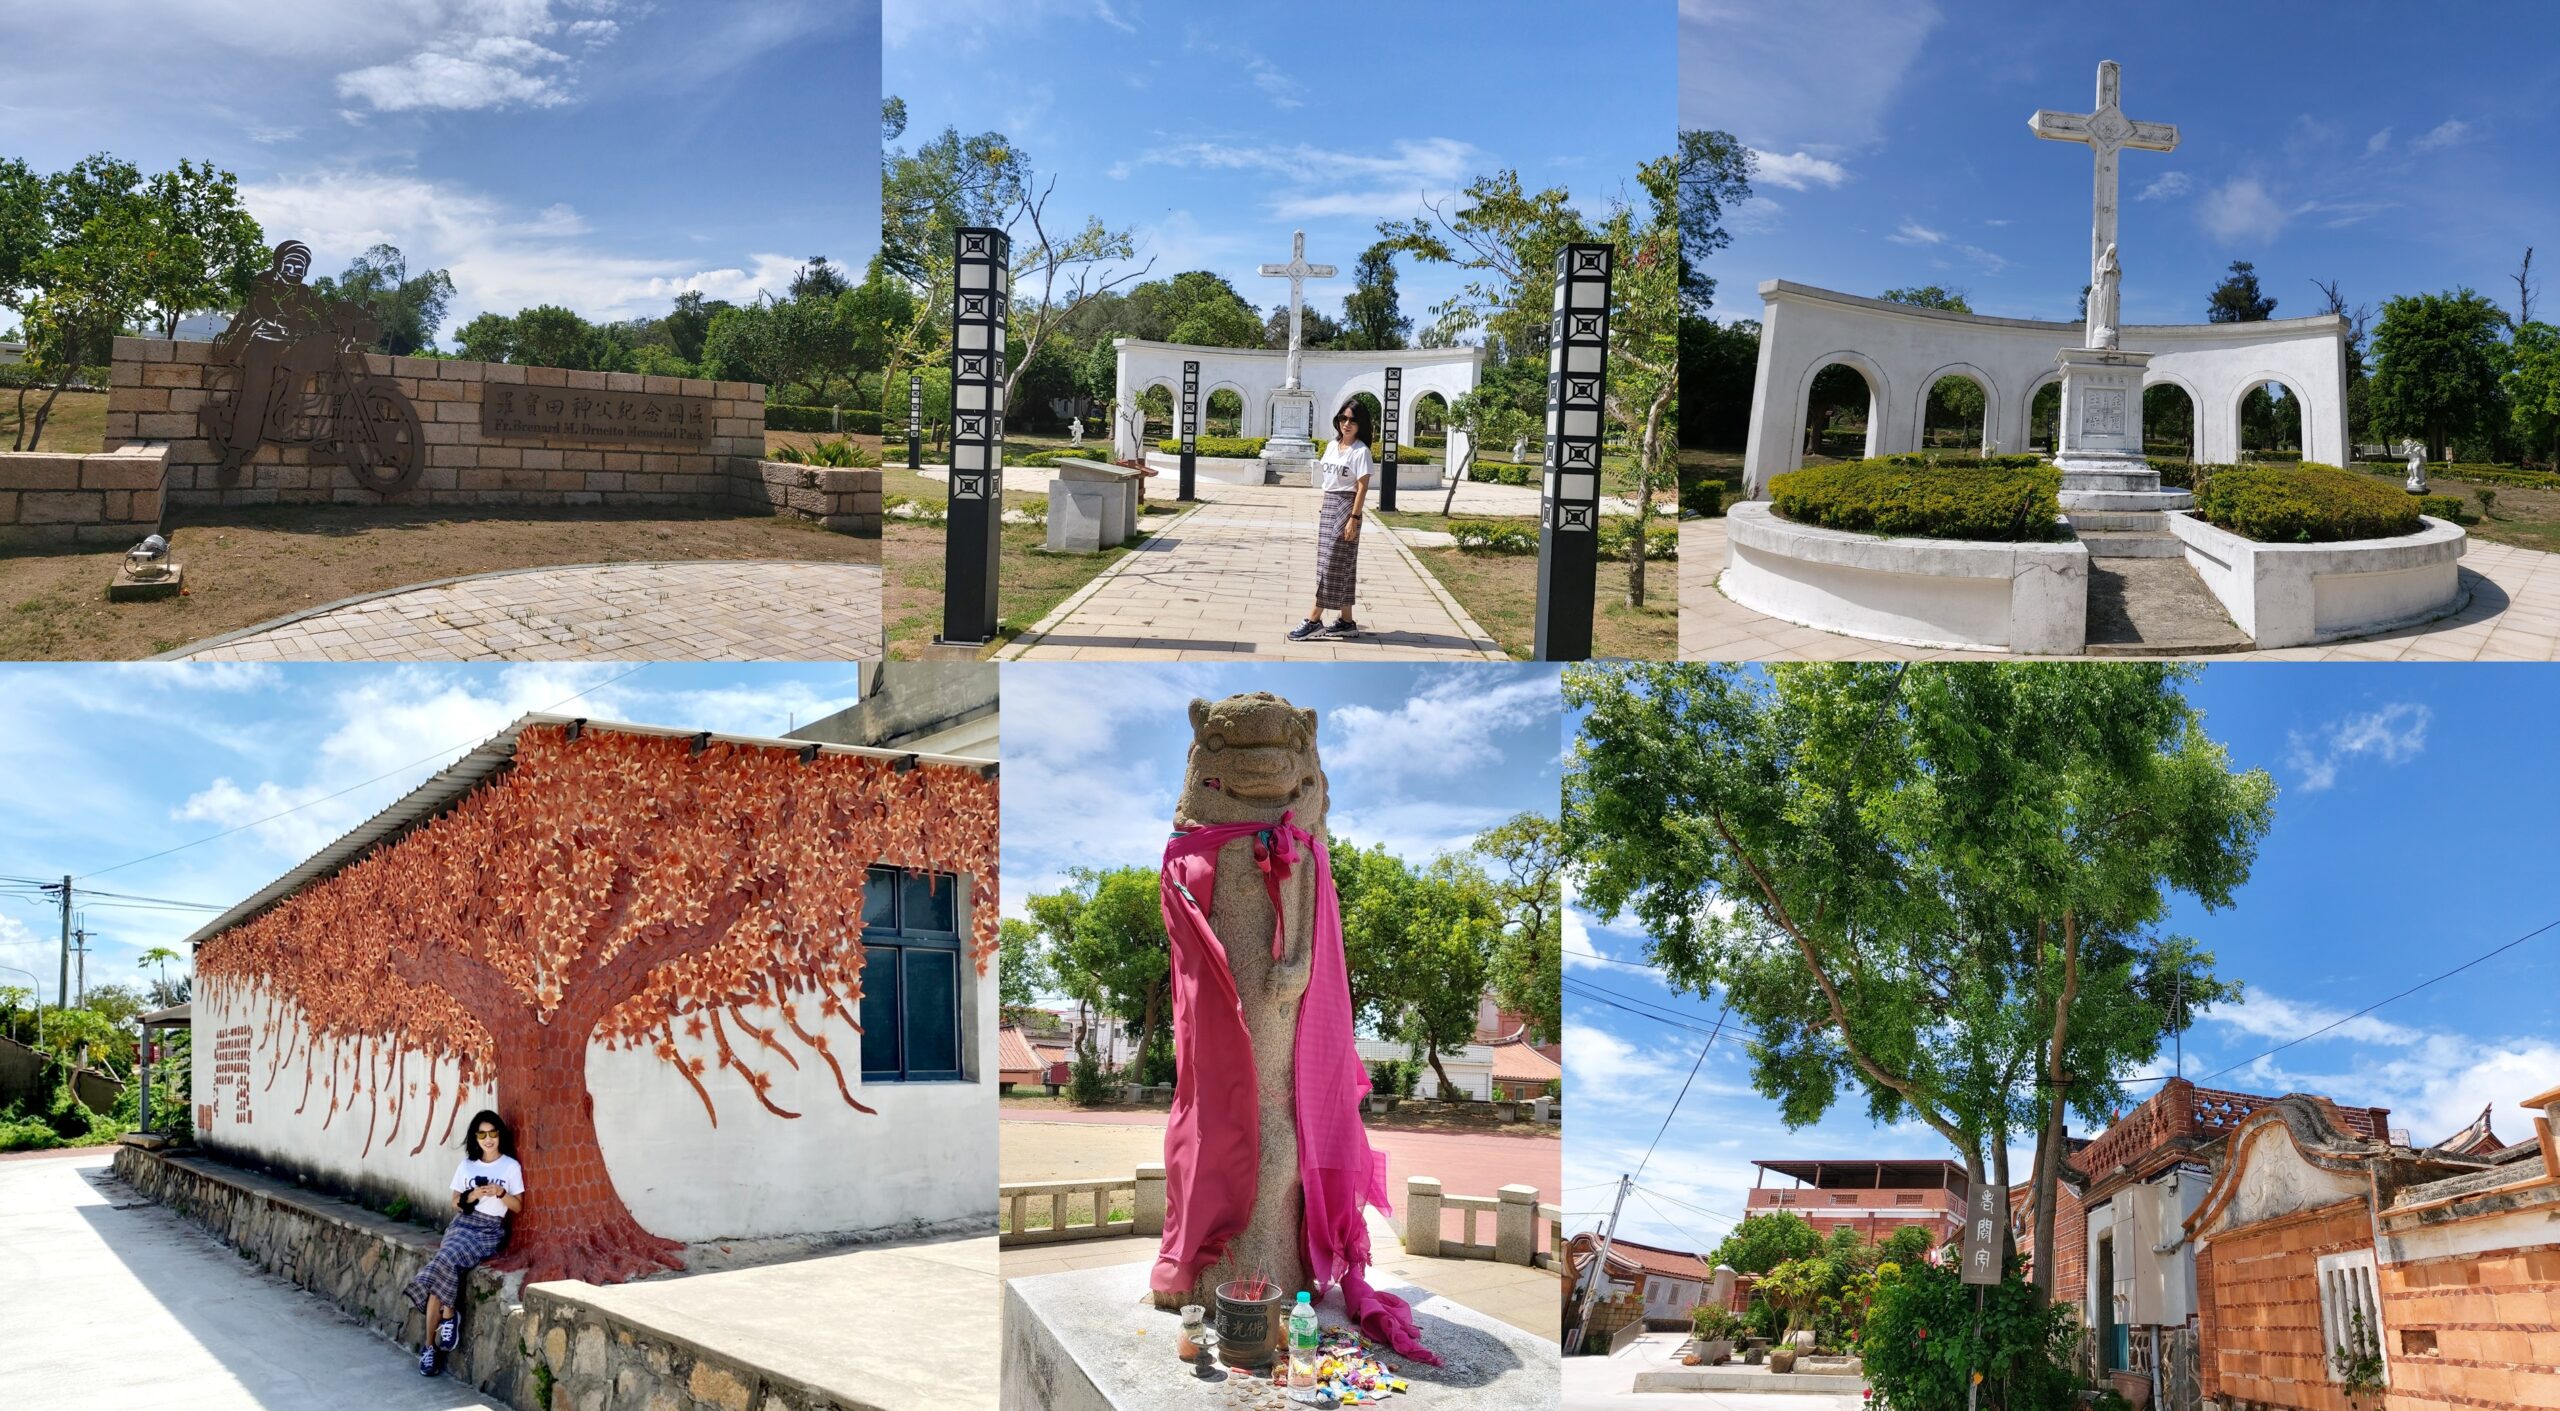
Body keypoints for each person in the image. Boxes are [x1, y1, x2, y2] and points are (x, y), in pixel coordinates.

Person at [402, 1109, 525, 1376]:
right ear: (475, 1137)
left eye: (493, 1133)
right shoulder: (467, 1165)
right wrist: (472, 1195)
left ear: (499, 1135)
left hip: (488, 1230)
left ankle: (441, 1328)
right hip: (462, 1225)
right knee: (446, 1265)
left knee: (442, 1263)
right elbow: (455, 1203)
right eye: (482, 1134)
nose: (488, 1139)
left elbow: (517, 1206)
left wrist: (500, 1192)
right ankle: (436, 1337)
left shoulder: (510, 1166)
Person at [1288, 399, 1374, 640]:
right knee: (1338, 565)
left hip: (1347, 507)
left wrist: (1354, 518)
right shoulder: (1331, 446)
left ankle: (1314, 619)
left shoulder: (1361, 451)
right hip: (1329, 505)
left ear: (1360, 425)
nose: (1346, 424)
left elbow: (1362, 488)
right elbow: (1329, 482)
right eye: (1343, 418)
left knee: (1332, 565)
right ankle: (1347, 622)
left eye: (1352, 420)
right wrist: (1326, 508)